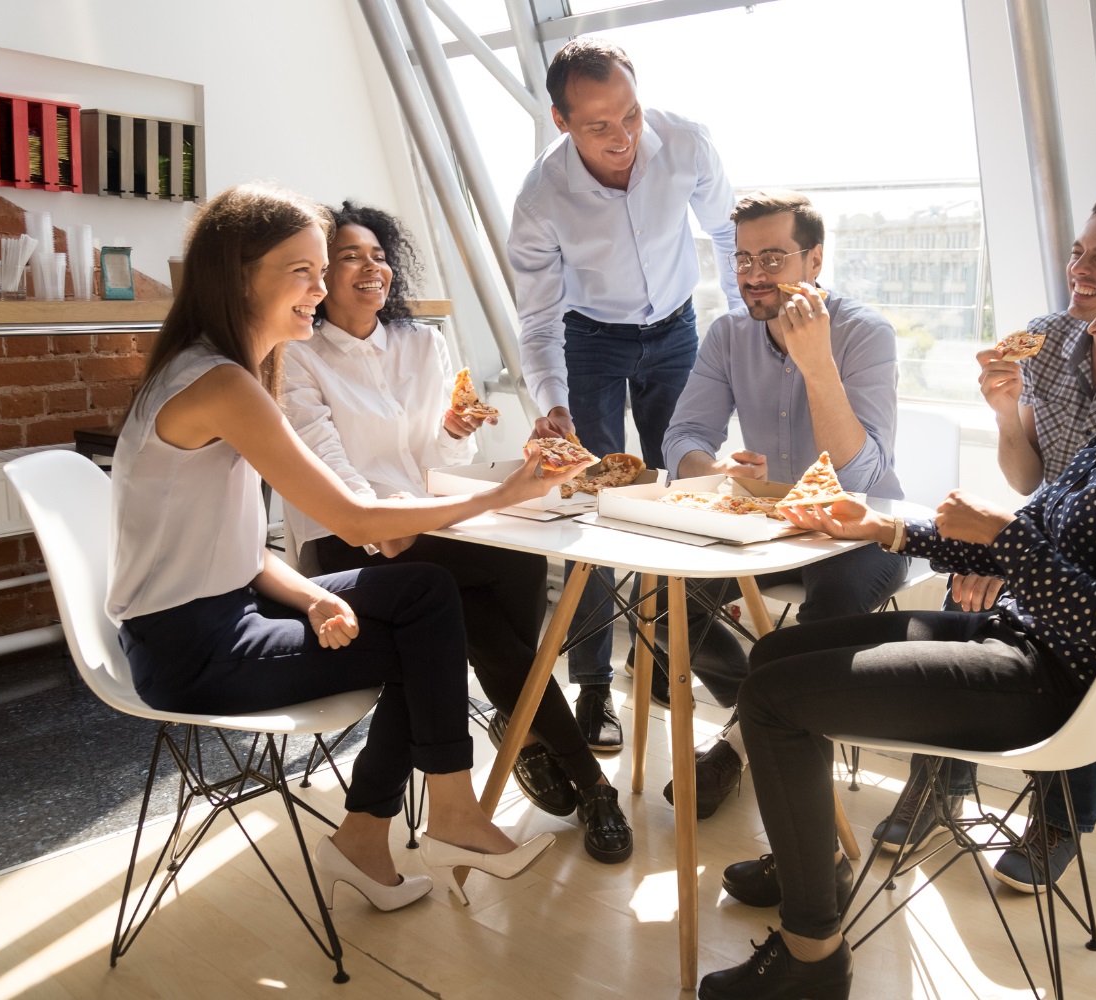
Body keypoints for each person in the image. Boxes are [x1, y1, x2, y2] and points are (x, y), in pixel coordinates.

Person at [700, 229, 1096, 1000]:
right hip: (1018, 645)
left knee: (769, 700)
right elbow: (1034, 546)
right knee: (771, 660)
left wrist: (1006, 541)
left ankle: (813, 960)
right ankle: (816, 863)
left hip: (1042, 683)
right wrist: (886, 530)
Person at [108, 184, 581, 912]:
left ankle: (383, 835)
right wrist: (503, 492)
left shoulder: (227, 370)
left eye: (319, 272)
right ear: (239, 275)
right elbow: (359, 522)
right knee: (424, 641)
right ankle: (435, 820)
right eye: (304, 270)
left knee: (424, 592)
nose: (320, 289)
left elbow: (233, 546)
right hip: (189, 650)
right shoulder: (221, 384)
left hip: (230, 612)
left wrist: (313, 592)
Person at [279, 202, 632, 864]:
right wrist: (396, 523)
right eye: (350, 256)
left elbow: (442, 468)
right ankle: (582, 778)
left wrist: (453, 433)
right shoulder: (297, 356)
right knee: (468, 605)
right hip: (346, 540)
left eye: (379, 255)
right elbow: (334, 477)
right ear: (322, 274)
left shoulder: (422, 344)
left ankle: (524, 723)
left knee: (518, 559)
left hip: (428, 526)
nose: (371, 267)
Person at [871, 190, 1096, 886]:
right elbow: (1027, 478)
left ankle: (1059, 815)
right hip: (1047, 526)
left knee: (1075, 628)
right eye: (1077, 253)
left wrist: (1012, 558)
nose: (1081, 269)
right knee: (962, 597)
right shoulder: (1045, 339)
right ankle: (942, 781)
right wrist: (1007, 410)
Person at [509, 37, 741, 753]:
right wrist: (553, 401)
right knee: (594, 513)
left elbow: (731, 238)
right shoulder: (542, 196)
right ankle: (593, 692)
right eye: (599, 126)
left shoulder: (687, 144)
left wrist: (747, 336)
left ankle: (671, 653)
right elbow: (539, 318)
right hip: (591, 342)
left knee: (685, 493)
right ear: (560, 121)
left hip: (676, 330)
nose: (623, 138)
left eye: (631, 115)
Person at [653, 190, 908, 820]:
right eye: (743, 260)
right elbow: (681, 438)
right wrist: (715, 469)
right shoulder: (727, 335)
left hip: (861, 531)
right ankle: (763, 717)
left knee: (827, 613)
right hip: (769, 524)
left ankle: (738, 745)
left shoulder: (865, 334)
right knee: (664, 607)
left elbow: (859, 473)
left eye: (773, 258)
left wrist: (816, 362)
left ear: (814, 261)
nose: (755, 276)